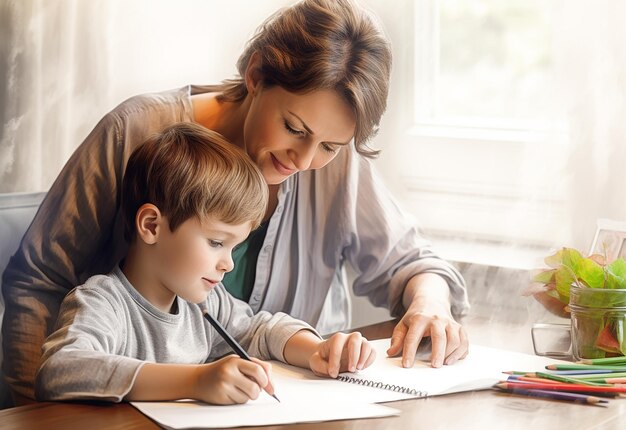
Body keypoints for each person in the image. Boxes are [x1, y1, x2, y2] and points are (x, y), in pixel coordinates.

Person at [2, 0, 470, 401]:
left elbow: (409, 264)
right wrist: (32, 416)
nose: (305, 160)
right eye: (294, 128)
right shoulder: (135, 133)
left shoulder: (335, 165)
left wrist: (428, 304)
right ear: (255, 75)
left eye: (329, 147)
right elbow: (40, 287)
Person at [35, 123, 375, 403]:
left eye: (233, 247)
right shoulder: (103, 302)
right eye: (216, 243)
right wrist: (195, 380)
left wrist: (317, 350)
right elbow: (60, 369)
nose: (227, 264)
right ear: (151, 226)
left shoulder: (205, 304)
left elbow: (260, 329)